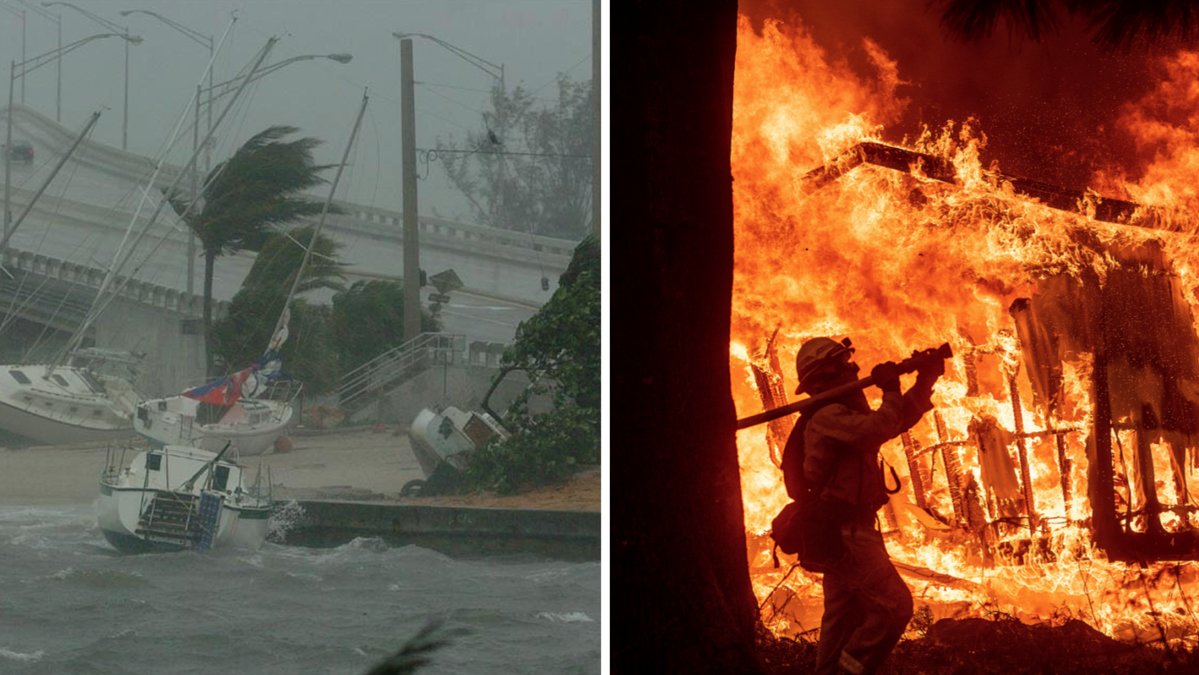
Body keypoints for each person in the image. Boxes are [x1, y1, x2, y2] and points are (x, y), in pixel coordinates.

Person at [781, 336, 944, 675]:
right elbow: (879, 427)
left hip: (844, 531)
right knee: (895, 607)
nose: (853, 367)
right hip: (846, 533)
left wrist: (925, 381)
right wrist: (891, 389)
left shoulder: (840, 413)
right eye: (843, 363)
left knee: (843, 618)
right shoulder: (828, 416)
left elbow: (894, 420)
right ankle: (850, 671)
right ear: (826, 373)